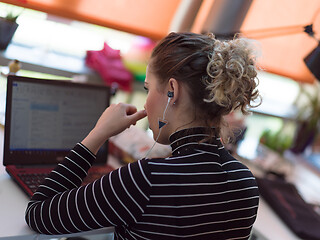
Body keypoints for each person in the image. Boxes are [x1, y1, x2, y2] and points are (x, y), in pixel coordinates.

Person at [25, 32, 260, 240]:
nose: (146, 103)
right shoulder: (246, 183)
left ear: (172, 91)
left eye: (148, 88)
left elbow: (37, 215)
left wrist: (98, 134)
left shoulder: (145, 180)